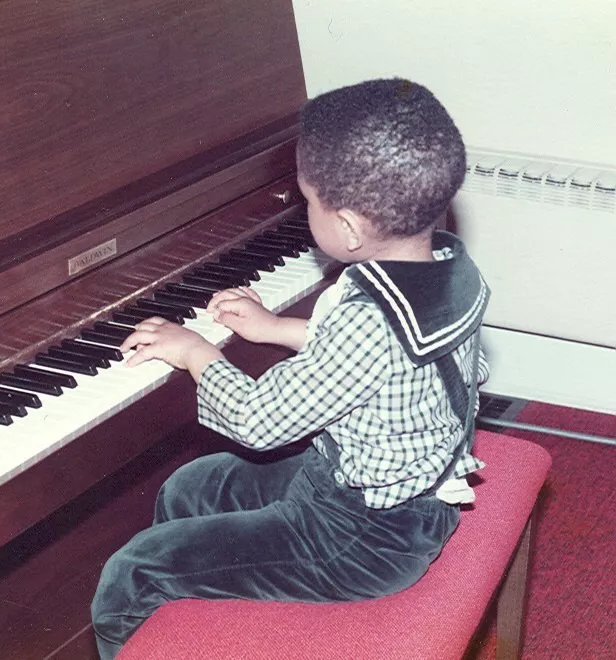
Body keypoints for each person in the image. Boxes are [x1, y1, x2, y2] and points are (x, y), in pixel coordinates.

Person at [91, 78, 490, 659]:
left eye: (308, 202)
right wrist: (274, 328)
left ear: (348, 228)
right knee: (191, 488)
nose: (305, 212)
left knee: (131, 576)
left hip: (363, 539)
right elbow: (389, 361)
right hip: (354, 490)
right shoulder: (447, 263)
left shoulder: (369, 322)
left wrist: (193, 351)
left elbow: (258, 420)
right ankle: (201, 634)